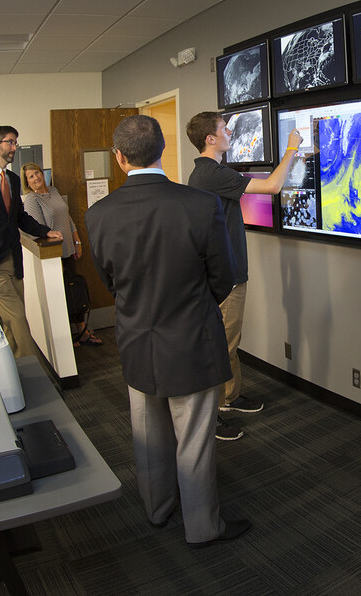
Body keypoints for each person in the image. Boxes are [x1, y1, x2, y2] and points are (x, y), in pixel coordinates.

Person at [85, 114, 249, 547]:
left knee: (148, 436)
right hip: (192, 341)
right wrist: (192, 307)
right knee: (193, 442)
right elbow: (225, 276)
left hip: (136, 341)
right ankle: (202, 527)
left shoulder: (99, 214)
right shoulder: (198, 204)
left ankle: (157, 510)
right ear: (162, 151)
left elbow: (111, 282)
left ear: (120, 159)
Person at [184, 111, 304, 441]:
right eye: (224, 128)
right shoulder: (211, 173)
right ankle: (214, 414)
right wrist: (291, 148)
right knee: (222, 342)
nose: (230, 132)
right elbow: (273, 186)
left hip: (228, 270)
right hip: (225, 275)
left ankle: (230, 396)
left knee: (229, 340)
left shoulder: (210, 172)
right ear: (210, 138)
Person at [0, 126, 61, 357]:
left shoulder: (13, 179)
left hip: (13, 260)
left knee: (10, 320)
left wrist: (46, 231)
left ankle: (13, 368)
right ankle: (34, 372)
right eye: (11, 142)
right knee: (17, 318)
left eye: (15, 142)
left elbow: (19, 217)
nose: (15, 147)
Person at [20, 162, 101, 347]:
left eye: (37, 173)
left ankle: (82, 333)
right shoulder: (32, 200)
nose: (36, 178)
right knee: (61, 296)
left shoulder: (54, 191)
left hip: (68, 250)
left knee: (73, 291)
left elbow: (68, 217)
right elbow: (39, 229)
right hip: (53, 255)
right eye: (31, 176)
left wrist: (77, 241)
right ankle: (67, 339)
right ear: (27, 182)